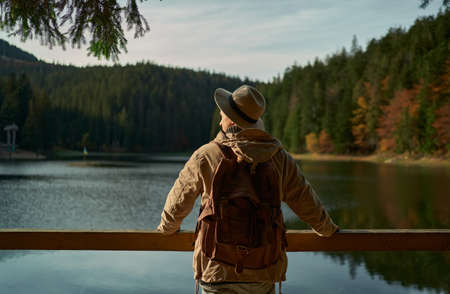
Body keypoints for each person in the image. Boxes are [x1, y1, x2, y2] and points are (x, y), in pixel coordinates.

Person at [157, 85, 338, 294]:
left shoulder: (205, 155)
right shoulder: (280, 158)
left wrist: (167, 229)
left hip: (216, 271)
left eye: (222, 116)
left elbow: (178, 202)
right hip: (263, 271)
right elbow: (305, 201)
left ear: (232, 121)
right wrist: (328, 229)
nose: (219, 121)